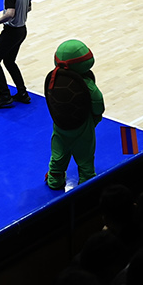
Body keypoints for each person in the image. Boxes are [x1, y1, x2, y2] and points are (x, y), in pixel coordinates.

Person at [45, 39, 104, 190]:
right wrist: (96, 118)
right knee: (85, 156)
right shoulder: (87, 85)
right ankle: (86, 182)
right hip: (83, 127)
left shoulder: (53, 78)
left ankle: (55, 177)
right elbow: (98, 104)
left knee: (58, 154)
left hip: (60, 125)